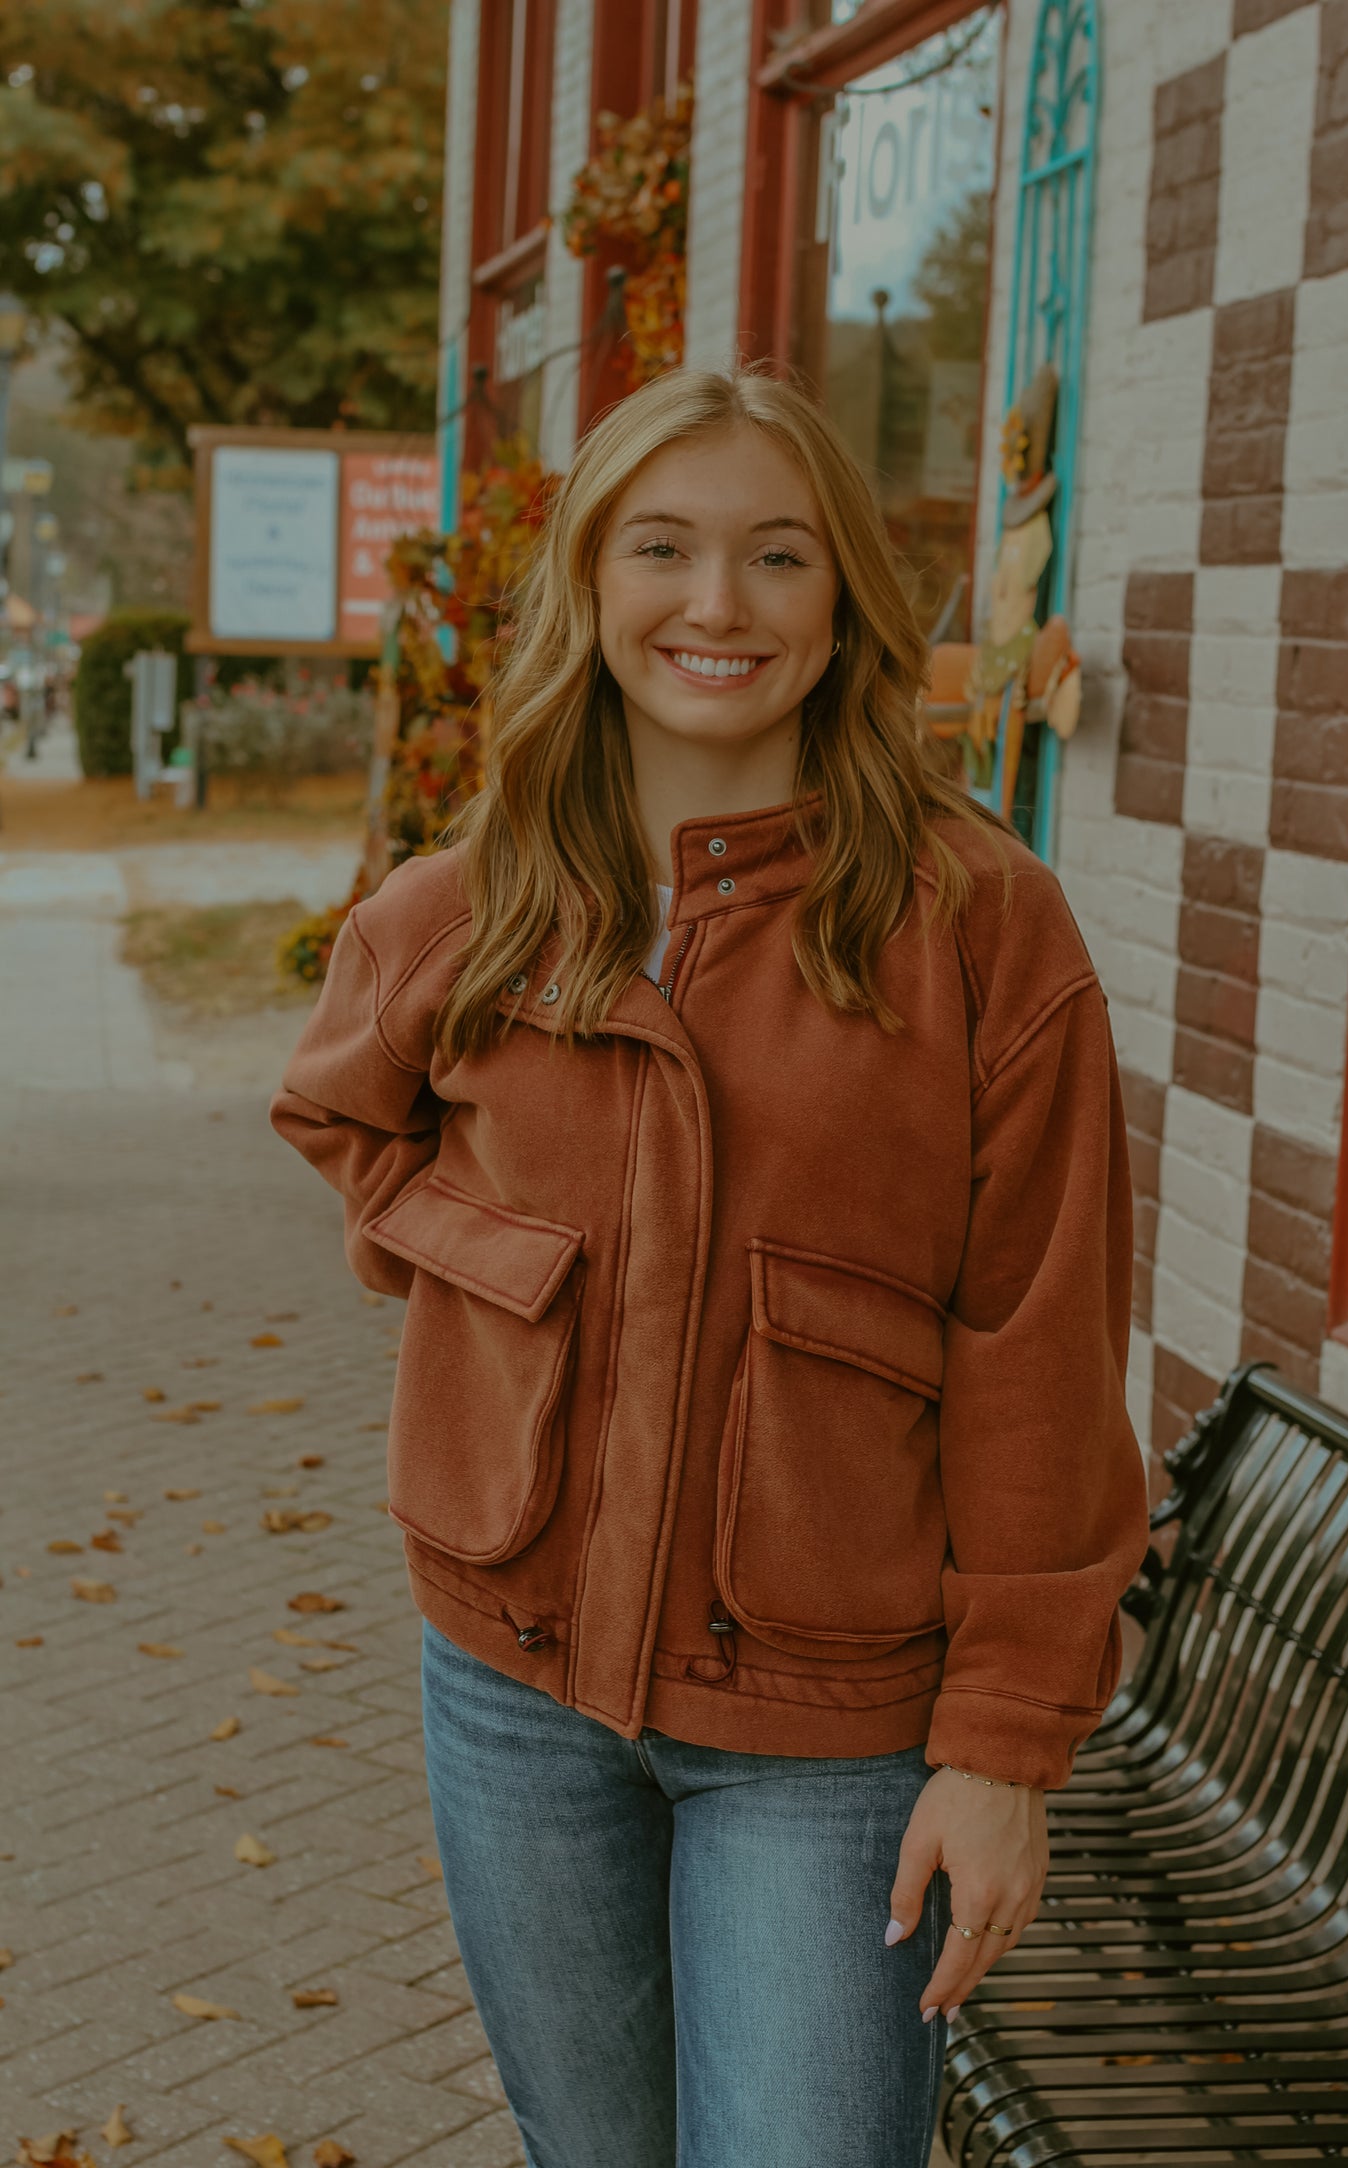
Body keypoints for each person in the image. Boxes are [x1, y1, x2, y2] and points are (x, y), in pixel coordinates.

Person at [271, 367, 1149, 2168]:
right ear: (593, 588)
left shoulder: (978, 923)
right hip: (512, 1685)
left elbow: (1037, 1347)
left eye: (777, 555)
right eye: (662, 548)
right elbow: (347, 1123)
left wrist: (1000, 1747)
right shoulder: (475, 901)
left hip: (827, 1734)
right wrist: (491, 1264)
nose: (716, 605)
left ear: (842, 607)